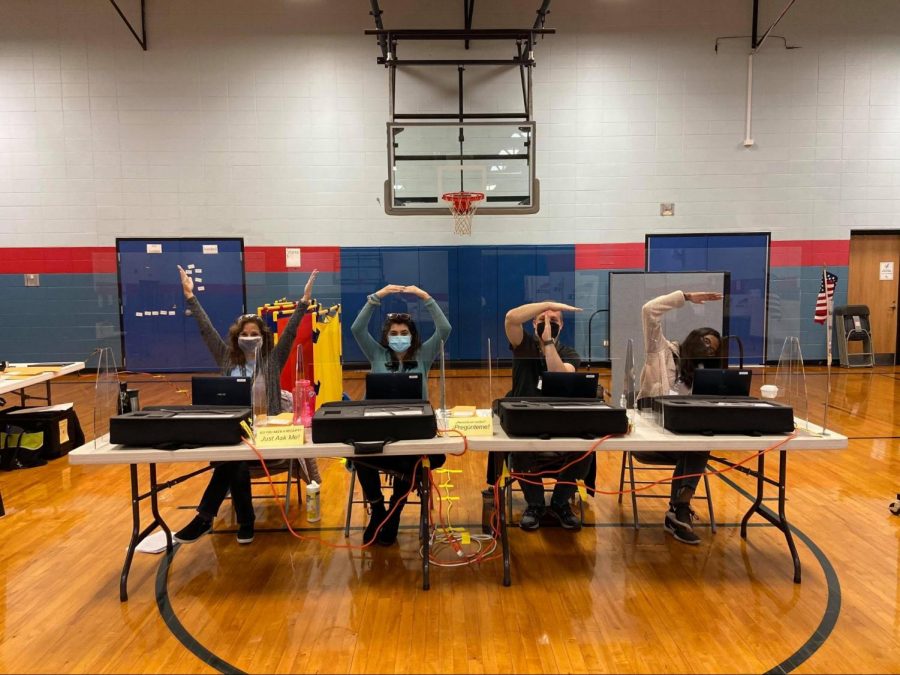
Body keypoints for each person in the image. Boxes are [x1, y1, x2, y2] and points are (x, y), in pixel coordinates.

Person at [173, 265, 319, 545]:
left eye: (255, 334)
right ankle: (243, 522)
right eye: (245, 333)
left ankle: (209, 518)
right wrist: (190, 296)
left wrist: (303, 302)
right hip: (235, 433)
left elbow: (289, 333)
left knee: (233, 460)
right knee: (236, 460)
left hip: (268, 436)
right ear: (236, 337)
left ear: (263, 338)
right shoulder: (227, 359)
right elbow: (206, 329)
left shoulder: (272, 361)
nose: (249, 338)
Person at [350, 283, 451, 546]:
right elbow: (357, 329)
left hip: (412, 431)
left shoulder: (424, 355)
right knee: (360, 455)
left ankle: (394, 511)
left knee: (412, 462)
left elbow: (445, 329)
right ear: (386, 336)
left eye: (404, 332)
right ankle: (378, 510)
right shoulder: (376, 353)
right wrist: (378, 297)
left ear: (412, 335)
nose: (399, 336)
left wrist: (425, 295)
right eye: (394, 332)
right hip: (378, 429)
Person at [636, 289, 724, 545]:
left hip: (684, 439)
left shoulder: (703, 376)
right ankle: (679, 509)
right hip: (653, 433)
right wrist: (685, 297)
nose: (708, 350)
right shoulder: (661, 351)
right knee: (695, 444)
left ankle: (679, 508)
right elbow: (648, 310)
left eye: (713, 350)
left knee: (699, 442)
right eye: (706, 342)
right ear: (694, 337)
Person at [501, 300, 591, 532]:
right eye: (542, 321)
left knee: (586, 449)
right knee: (518, 447)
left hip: (560, 419)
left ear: (561, 326)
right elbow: (511, 317)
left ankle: (560, 502)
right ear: (533, 323)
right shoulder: (523, 344)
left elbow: (558, 374)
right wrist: (547, 305)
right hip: (525, 419)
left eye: (553, 321)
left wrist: (549, 342)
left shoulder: (569, 353)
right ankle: (535, 504)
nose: (547, 325)